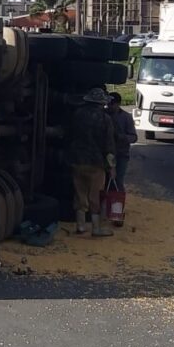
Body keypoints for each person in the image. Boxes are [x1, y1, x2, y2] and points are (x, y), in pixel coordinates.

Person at [65, 87, 116, 236]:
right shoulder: (105, 119)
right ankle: (96, 228)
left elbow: (69, 135)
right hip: (96, 163)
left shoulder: (77, 114)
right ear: (101, 103)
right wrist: (112, 166)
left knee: (80, 192)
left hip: (77, 160)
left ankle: (80, 226)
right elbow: (109, 145)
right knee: (95, 195)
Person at [107, 91, 137, 193]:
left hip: (121, 154)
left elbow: (133, 137)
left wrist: (121, 137)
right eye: (108, 104)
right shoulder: (103, 115)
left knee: (118, 181)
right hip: (106, 154)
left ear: (118, 104)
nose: (109, 106)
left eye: (112, 104)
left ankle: (117, 206)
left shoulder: (126, 117)